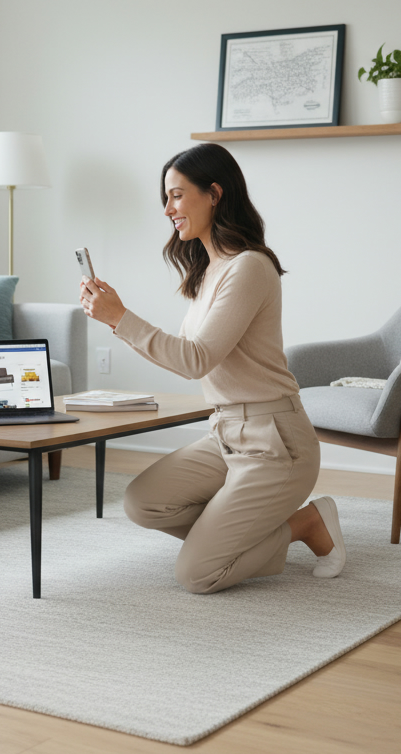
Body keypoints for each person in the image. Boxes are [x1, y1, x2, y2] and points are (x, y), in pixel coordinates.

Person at [78, 143, 346, 594]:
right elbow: (190, 353)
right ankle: (232, 532)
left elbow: (195, 358)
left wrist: (118, 318)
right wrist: (116, 317)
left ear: (215, 193)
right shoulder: (209, 270)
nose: (167, 209)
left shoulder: (250, 268)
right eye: (166, 198)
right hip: (224, 434)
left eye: (177, 196)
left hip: (274, 442)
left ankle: (305, 524)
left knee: (197, 574)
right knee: (143, 502)